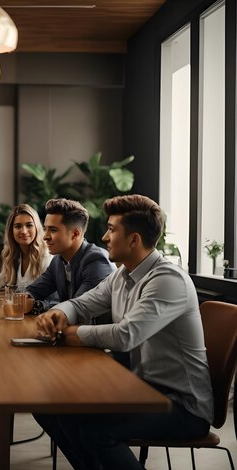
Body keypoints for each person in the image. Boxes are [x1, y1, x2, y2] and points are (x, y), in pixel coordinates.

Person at [34, 194, 213, 470]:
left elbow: (126, 335)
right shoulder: (122, 275)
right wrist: (60, 313)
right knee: (49, 405)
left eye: (112, 229)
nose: (105, 237)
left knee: (94, 430)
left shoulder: (167, 279)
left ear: (134, 239)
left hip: (181, 406)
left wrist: (68, 333)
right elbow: (83, 303)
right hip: (140, 388)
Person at [27, 198, 114, 316]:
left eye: (53, 230)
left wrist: (41, 305)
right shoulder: (58, 260)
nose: (45, 237)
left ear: (75, 234)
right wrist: (22, 299)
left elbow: (78, 308)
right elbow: (32, 292)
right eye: (45, 229)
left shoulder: (96, 260)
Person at [0, 203, 52, 293]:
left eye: (29, 225)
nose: (24, 231)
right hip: (19, 306)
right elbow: (0, 280)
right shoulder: (13, 255)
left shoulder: (47, 256)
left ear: (37, 228)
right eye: (18, 226)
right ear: (11, 231)